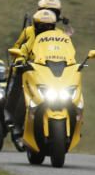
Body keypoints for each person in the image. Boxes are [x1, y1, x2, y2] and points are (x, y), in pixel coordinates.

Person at [6, 9, 59, 143]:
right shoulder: (29, 34)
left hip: (51, 71)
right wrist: (19, 59)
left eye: (48, 26)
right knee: (25, 92)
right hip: (30, 68)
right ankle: (16, 123)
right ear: (35, 25)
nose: (45, 28)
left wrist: (71, 63)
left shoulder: (59, 35)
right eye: (42, 26)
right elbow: (20, 48)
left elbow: (67, 51)